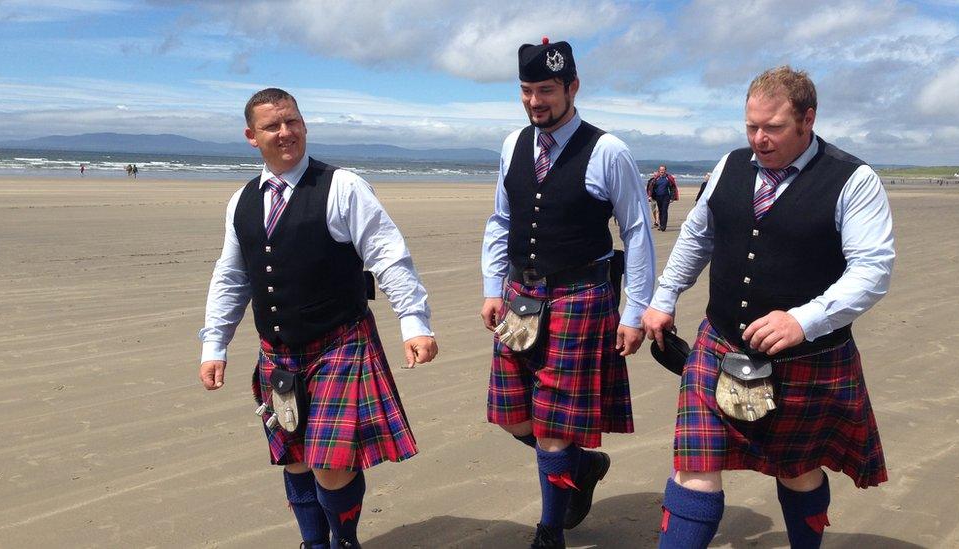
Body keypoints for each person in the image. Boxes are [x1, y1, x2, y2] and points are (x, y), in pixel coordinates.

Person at [642, 66, 894, 548]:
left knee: (797, 471)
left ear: (808, 119)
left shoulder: (853, 180)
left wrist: (803, 319)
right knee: (693, 466)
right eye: (751, 126)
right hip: (718, 344)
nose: (759, 138)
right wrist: (663, 296)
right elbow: (699, 235)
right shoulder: (729, 165)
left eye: (773, 127)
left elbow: (873, 271)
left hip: (807, 360)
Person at [198, 87, 438, 549]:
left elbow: (388, 255)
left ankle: (343, 540)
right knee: (294, 456)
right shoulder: (241, 201)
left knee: (331, 462)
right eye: (273, 126)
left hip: (339, 343)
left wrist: (413, 321)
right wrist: (215, 345)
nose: (286, 132)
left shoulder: (342, 186)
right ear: (252, 136)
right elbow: (231, 278)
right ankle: (314, 542)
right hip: (278, 353)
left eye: (293, 121)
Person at [480, 37, 656, 549]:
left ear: (572, 87)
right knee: (513, 415)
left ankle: (550, 531)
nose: (537, 101)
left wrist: (635, 312)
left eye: (548, 90)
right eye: (528, 90)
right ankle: (583, 463)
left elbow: (638, 232)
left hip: (580, 297)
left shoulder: (608, 151)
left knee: (555, 425)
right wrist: (493, 286)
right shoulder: (513, 144)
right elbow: (501, 220)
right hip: (518, 297)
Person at [646, 165, 678, 231]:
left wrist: (672, 198)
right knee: (660, 211)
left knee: (664, 210)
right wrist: (650, 196)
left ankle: (663, 226)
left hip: (666, 197)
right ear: (659, 171)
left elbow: (672, 188)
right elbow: (652, 188)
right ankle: (661, 225)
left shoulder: (668, 178)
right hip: (658, 197)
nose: (662, 171)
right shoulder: (656, 179)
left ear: (665, 171)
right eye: (660, 170)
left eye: (663, 170)